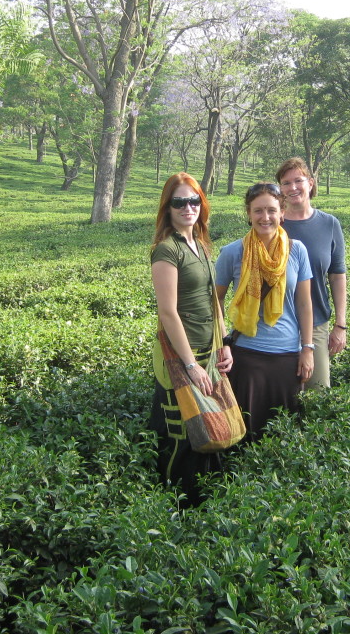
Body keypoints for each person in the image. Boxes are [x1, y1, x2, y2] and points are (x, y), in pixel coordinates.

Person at [148, 173, 233, 507]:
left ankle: (206, 501)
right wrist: (190, 365)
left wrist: (224, 342)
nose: (188, 207)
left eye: (194, 200)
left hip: (208, 350)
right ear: (167, 208)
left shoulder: (200, 244)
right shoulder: (166, 251)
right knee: (182, 433)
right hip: (182, 355)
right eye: (179, 202)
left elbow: (215, 301)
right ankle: (176, 505)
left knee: (210, 427)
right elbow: (168, 313)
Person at [215, 182, 314, 442]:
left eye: (271, 210)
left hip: (287, 357)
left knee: (284, 435)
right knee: (245, 435)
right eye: (258, 211)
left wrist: (307, 349)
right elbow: (214, 302)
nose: (265, 217)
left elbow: (305, 304)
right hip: (246, 357)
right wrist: (223, 343)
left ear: (282, 212)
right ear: (248, 213)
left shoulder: (297, 251)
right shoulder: (232, 252)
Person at [275, 157, 347, 390]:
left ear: (311, 183)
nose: (293, 187)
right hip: (278, 324)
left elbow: (337, 275)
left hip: (316, 323)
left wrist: (340, 325)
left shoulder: (329, 224)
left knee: (318, 392)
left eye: (298, 181)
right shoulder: (273, 225)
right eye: (286, 183)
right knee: (283, 398)